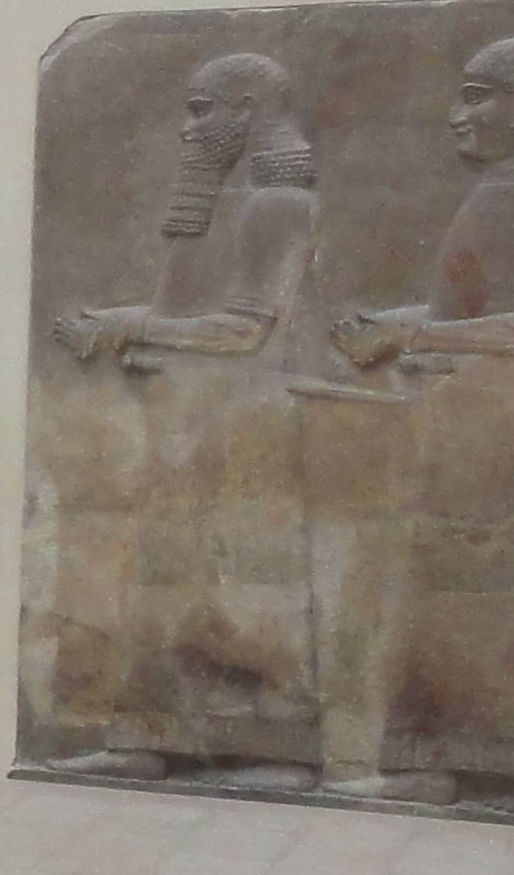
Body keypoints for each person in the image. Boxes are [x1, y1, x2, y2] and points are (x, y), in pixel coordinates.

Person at [322, 35, 514, 813]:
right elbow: (459, 313)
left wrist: (412, 335)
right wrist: (385, 325)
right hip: (469, 425)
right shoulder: (501, 191)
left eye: (478, 94)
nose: (458, 114)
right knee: (450, 605)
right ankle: (444, 763)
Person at [44, 51, 323, 788]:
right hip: (193, 421)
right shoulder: (240, 203)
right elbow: (192, 312)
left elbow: (245, 329)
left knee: (250, 585)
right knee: (171, 584)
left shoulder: (277, 205)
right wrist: (117, 321)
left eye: (203, 110)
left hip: (245, 423)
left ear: (248, 110)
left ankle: (279, 746)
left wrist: (126, 327)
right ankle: (152, 735)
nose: (188, 128)